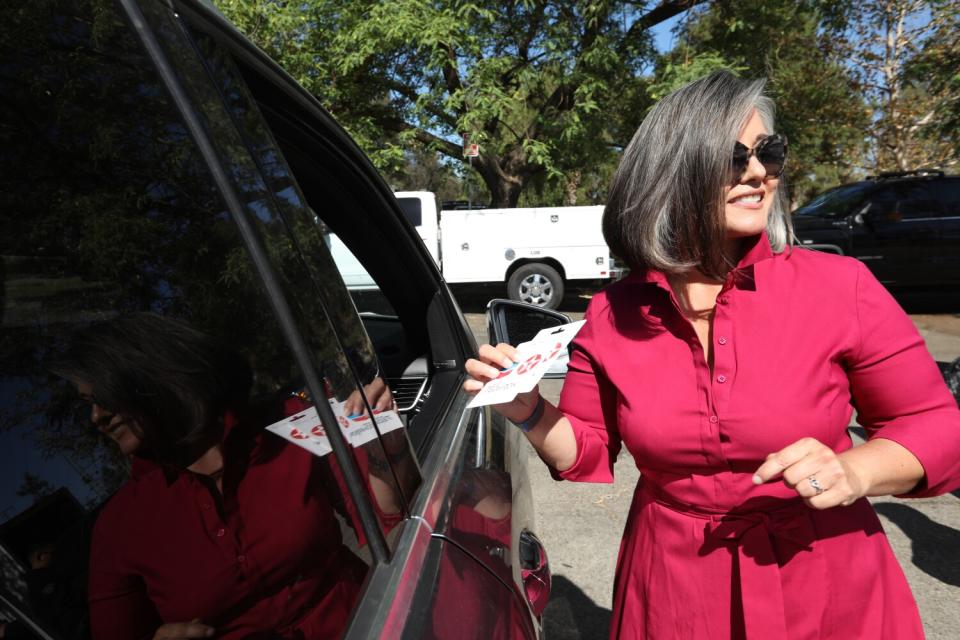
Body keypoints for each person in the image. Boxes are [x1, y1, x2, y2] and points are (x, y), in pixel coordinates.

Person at [465, 70, 960, 639]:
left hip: (826, 582)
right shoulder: (612, 312)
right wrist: (528, 408)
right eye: (733, 157)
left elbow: (935, 427)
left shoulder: (839, 286)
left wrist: (854, 468)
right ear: (673, 171)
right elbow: (587, 449)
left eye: (768, 153)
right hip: (676, 590)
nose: (757, 173)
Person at [55, 314, 371, 640]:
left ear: (147, 374)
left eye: (101, 397)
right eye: (88, 405)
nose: (96, 418)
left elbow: (388, 520)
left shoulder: (287, 425)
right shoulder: (117, 527)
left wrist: (384, 447)